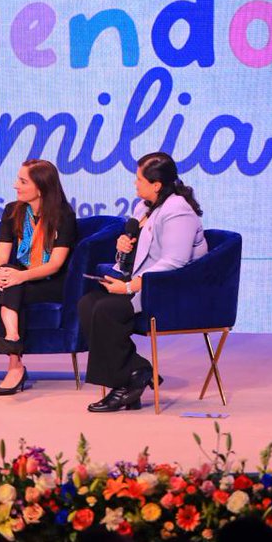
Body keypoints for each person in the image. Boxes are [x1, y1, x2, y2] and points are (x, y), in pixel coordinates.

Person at [81, 152, 206, 412]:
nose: (135, 184)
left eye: (139, 179)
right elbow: (139, 255)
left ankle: (125, 385)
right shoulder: (143, 208)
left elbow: (174, 263)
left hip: (171, 292)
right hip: (144, 285)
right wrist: (123, 248)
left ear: (157, 184)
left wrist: (129, 287)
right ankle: (136, 371)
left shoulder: (178, 212)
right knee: (88, 304)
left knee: (107, 309)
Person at [0, 159, 77, 396]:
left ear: (41, 187)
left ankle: (14, 360)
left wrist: (20, 276)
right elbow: (0, 254)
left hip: (49, 281)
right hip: (20, 276)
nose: (15, 185)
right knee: (8, 280)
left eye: (22, 181)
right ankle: (14, 353)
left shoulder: (63, 215)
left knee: (13, 283)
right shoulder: (12, 211)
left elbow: (55, 264)